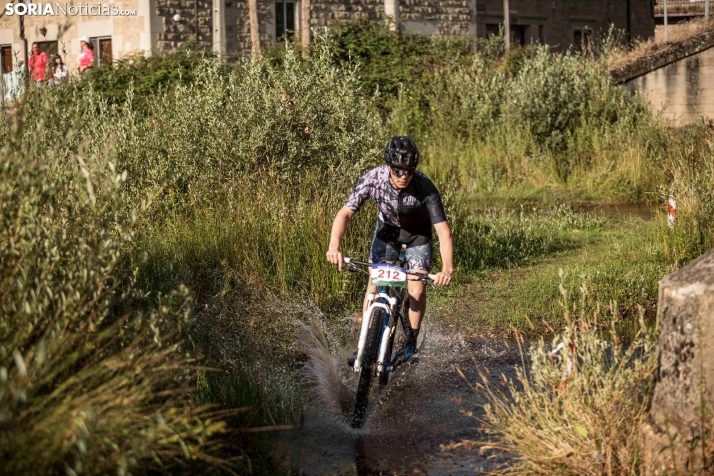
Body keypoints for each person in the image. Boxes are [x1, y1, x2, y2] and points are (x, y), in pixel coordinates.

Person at [326, 136, 454, 365]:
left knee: (416, 290)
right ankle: (363, 346)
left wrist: (447, 269)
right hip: (387, 235)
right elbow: (344, 214)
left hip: (418, 237)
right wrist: (334, 247)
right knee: (374, 285)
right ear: (388, 167)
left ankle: (410, 344)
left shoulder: (425, 187)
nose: (404, 176)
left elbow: (443, 232)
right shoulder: (373, 179)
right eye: (398, 171)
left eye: (409, 171)